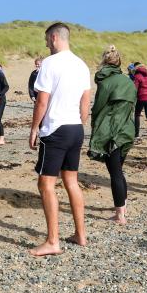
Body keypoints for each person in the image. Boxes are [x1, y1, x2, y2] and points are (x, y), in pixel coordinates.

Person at [27, 23, 92, 257]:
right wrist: (80, 124)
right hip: (75, 127)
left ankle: (53, 241)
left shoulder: (50, 63)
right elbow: (86, 102)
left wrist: (34, 128)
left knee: (46, 184)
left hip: (55, 129)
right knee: (71, 181)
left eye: (46, 40)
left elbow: (42, 101)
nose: (46, 44)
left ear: (54, 37)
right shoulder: (81, 64)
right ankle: (80, 234)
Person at [87, 46, 137, 225]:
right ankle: (122, 207)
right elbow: (133, 106)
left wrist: (96, 129)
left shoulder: (105, 83)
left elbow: (98, 108)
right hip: (127, 129)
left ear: (104, 62)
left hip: (112, 132)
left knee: (115, 172)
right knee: (118, 170)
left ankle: (120, 215)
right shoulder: (128, 81)